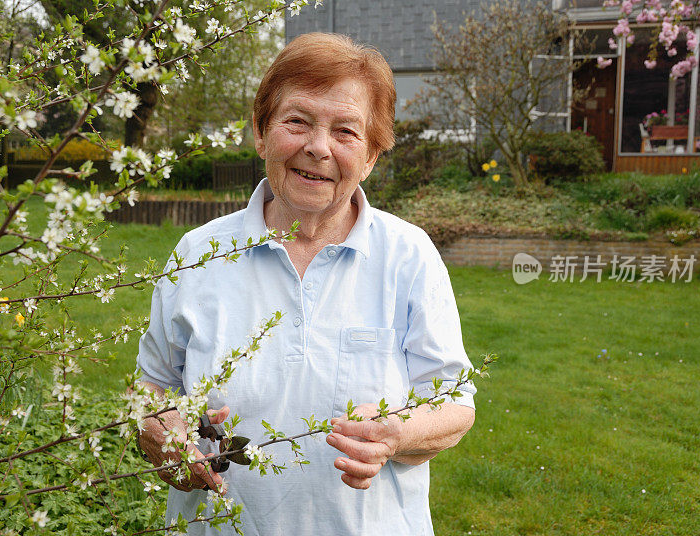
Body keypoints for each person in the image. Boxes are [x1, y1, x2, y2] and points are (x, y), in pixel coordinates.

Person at [135, 32, 476, 535]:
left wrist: (397, 433)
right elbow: (152, 387)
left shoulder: (409, 256)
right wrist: (164, 438)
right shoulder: (197, 254)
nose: (318, 148)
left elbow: (454, 401)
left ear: (372, 155)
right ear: (261, 131)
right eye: (297, 121)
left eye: (346, 131)